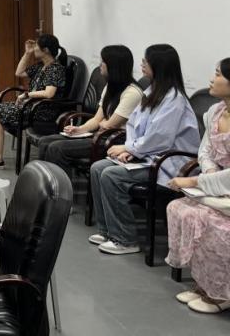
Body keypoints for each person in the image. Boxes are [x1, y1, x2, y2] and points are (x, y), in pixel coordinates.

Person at [89, 44, 200, 255]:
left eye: (145, 62)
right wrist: (130, 150)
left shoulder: (174, 99)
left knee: (111, 175)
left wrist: (130, 148)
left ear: (158, 66)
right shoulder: (151, 91)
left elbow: (160, 138)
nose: (142, 64)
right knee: (97, 168)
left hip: (168, 163)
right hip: (148, 155)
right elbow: (134, 126)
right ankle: (107, 231)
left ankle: (126, 239)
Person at [165, 57, 230, 313]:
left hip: (220, 186)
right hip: (217, 185)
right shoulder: (215, 112)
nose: (211, 79)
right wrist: (210, 171)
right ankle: (204, 284)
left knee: (215, 224)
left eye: (218, 74)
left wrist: (196, 181)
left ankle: (221, 294)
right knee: (181, 209)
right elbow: (205, 151)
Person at [37, 45, 143, 172]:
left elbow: (109, 125)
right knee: (44, 141)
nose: (100, 65)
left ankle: (60, 184)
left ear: (114, 66)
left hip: (113, 140)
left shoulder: (132, 93)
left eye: (103, 62)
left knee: (56, 148)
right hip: (100, 135)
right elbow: (98, 119)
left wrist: (102, 123)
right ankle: (46, 181)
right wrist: (79, 129)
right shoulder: (111, 86)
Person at [0, 33, 67, 168]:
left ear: (46, 50)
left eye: (36, 46)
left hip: (42, 111)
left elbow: (49, 93)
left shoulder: (55, 68)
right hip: (30, 107)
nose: (34, 49)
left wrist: (26, 95)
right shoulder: (41, 66)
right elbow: (19, 73)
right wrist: (27, 53)